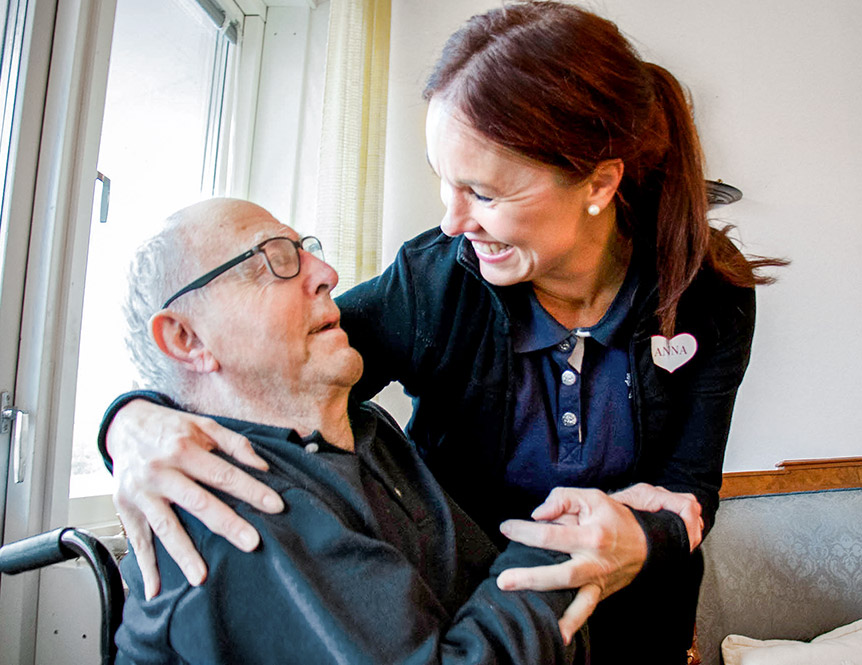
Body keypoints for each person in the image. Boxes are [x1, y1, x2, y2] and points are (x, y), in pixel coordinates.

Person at [100, 3, 783, 663]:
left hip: (630, 630)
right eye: (444, 183)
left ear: (598, 182)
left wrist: (645, 537)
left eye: (484, 194)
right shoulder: (438, 281)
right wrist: (129, 420)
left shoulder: (710, 300)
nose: (454, 221)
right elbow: (275, 379)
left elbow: (688, 495)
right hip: (476, 626)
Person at [113, 197, 589, 664]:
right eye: (273, 260)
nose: (327, 275)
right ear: (185, 338)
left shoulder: (362, 430)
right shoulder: (231, 512)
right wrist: (560, 544)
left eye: (307, 250)